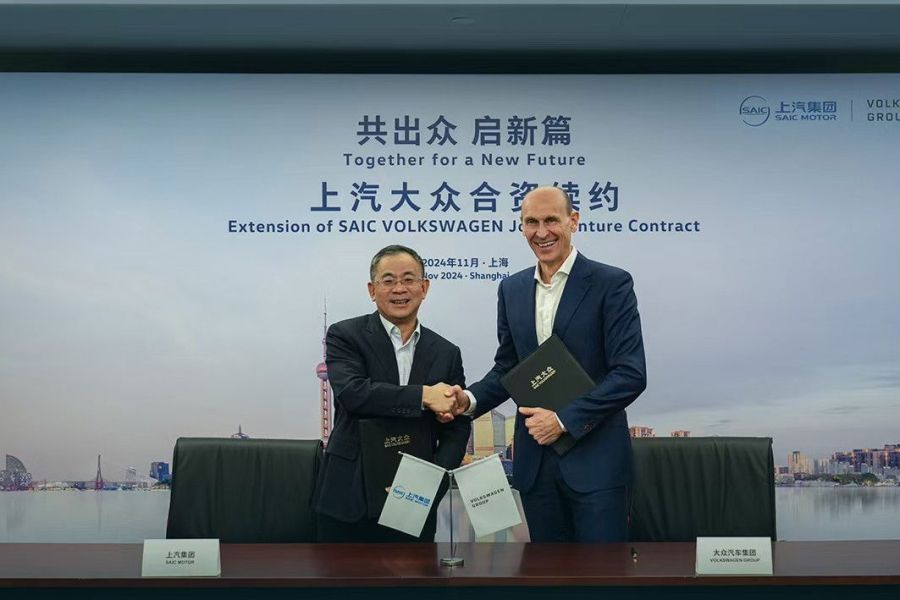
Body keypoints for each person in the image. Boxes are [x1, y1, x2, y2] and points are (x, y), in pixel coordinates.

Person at [447, 186, 646, 542]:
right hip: (536, 467)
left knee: (603, 572)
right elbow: (509, 367)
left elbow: (630, 374)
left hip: (597, 466)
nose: (541, 232)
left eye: (551, 220)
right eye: (531, 222)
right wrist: (469, 400)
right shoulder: (511, 289)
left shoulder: (611, 283)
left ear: (573, 221)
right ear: (522, 226)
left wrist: (562, 420)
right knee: (546, 572)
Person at [313, 244, 470, 542]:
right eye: (388, 280)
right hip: (349, 496)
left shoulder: (447, 352)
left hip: (416, 500)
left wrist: (431, 480)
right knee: (340, 573)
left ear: (424, 287)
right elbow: (354, 393)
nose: (399, 289)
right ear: (372, 290)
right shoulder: (345, 335)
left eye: (409, 279)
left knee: (413, 573)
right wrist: (424, 396)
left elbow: (458, 426)